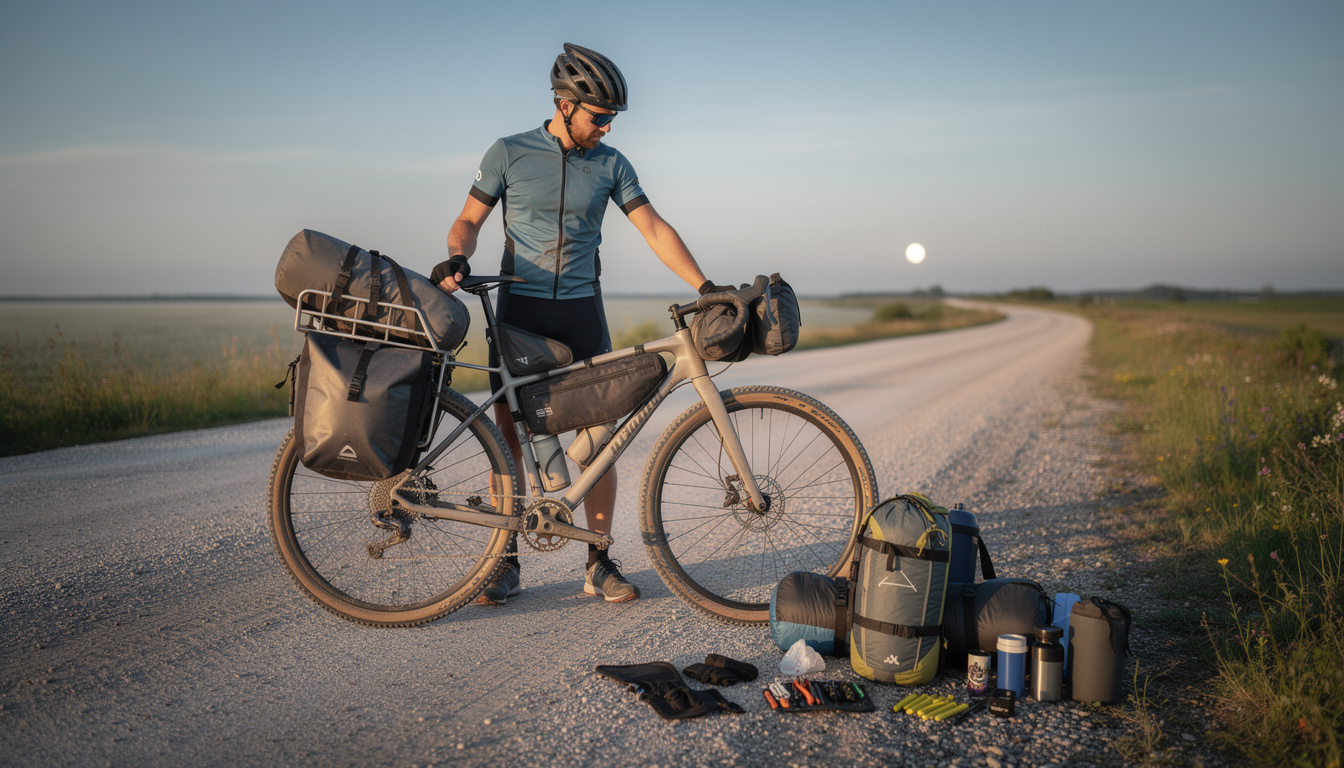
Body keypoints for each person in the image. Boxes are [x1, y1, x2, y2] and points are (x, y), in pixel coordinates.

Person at [433, 43, 724, 605]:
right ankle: (505, 561)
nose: (607, 129)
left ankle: (598, 559)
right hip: (520, 313)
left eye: (612, 119)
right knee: (509, 440)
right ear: (565, 105)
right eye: (599, 117)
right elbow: (468, 221)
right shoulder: (509, 152)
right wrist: (457, 256)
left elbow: (654, 227)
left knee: (604, 441)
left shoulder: (612, 165)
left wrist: (704, 286)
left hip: (582, 313)